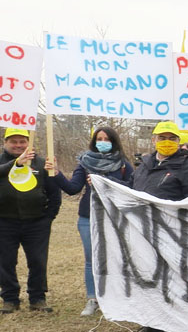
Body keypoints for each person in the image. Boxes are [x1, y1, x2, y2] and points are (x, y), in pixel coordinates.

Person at [130, 121, 188, 332]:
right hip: (144, 230)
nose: (167, 142)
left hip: (174, 233)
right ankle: (152, 324)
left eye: (172, 138)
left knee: (173, 280)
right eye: (162, 138)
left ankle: (175, 328)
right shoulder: (144, 164)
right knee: (148, 277)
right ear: (154, 140)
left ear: (179, 141)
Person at [48, 126, 134, 316]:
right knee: (91, 259)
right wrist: (56, 173)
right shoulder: (85, 163)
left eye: (106, 139)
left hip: (113, 218)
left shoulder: (123, 164)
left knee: (115, 258)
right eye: (99, 139)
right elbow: (72, 188)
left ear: (113, 141)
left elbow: (132, 188)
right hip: (88, 218)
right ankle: (92, 298)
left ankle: (114, 297)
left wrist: (105, 182)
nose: (102, 142)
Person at [0, 128, 62, 314]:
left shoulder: (42, 163)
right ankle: (10, 299)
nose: (18, 145)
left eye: (22, 141)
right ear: (5, 143)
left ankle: (37, 298)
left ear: (29, 143)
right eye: (14, 141)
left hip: (37, 223)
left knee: (37, 261)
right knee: (6, 262)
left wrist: (49, 217)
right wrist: (15, 163)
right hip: (5, 222)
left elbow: (54, 192)